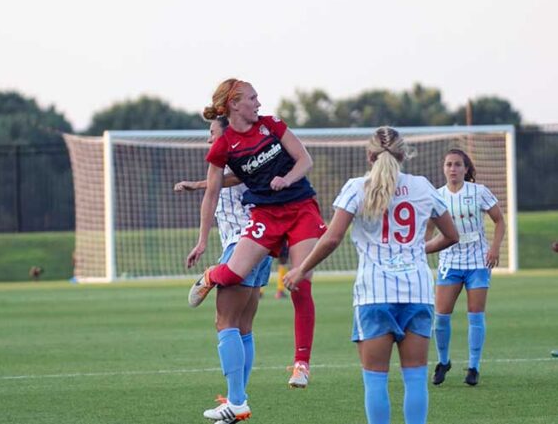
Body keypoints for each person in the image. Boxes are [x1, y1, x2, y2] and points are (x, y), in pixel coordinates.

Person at [283, 126, 459, 424]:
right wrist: (415, 250)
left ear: (369, 156)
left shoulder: (356, 187)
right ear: (404, 155)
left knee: (376, 380)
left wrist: (301, 269)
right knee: (415, 379)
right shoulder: (423, 186)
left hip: (374, 294)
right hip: (417, 292)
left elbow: (332, 239)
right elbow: (451, 235)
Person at [186, 78, 327, 397]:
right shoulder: (223, 147)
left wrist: (287, 178)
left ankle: (301, 364)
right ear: (234, 104)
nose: (259, 102)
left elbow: (304, 159)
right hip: (266, 215)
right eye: (252, 97)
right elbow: (212, 192)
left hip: (301, 207)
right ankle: (211, 275)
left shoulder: (271, 124)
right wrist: (202, 241)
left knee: (301, 281)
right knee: (232, 274)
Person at [175, 116, 273, 423]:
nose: (209, 140)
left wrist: (200, 183)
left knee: (225, 322)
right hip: (261, 244)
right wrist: (202, 240)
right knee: (243, 326)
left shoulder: (241, 158)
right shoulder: (249, 156)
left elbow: (231, 179)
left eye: (212, 133)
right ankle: (236, 400)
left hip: (243, 244)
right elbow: (216, 193)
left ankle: (237, 400)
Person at [427, 149, 505, 387]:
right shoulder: (437, 196)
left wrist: (494, 248)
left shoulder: (478, 192)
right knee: (440, 317)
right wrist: (423, 249)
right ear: (443, 168)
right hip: (450, 262)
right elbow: (428, 229)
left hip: (477, 263)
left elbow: (499, 220)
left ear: (466, 169)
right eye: (449, 164)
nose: (453, 169)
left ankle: (473, 367)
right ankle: (443, 362)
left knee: (475, 315)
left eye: (458, 164)